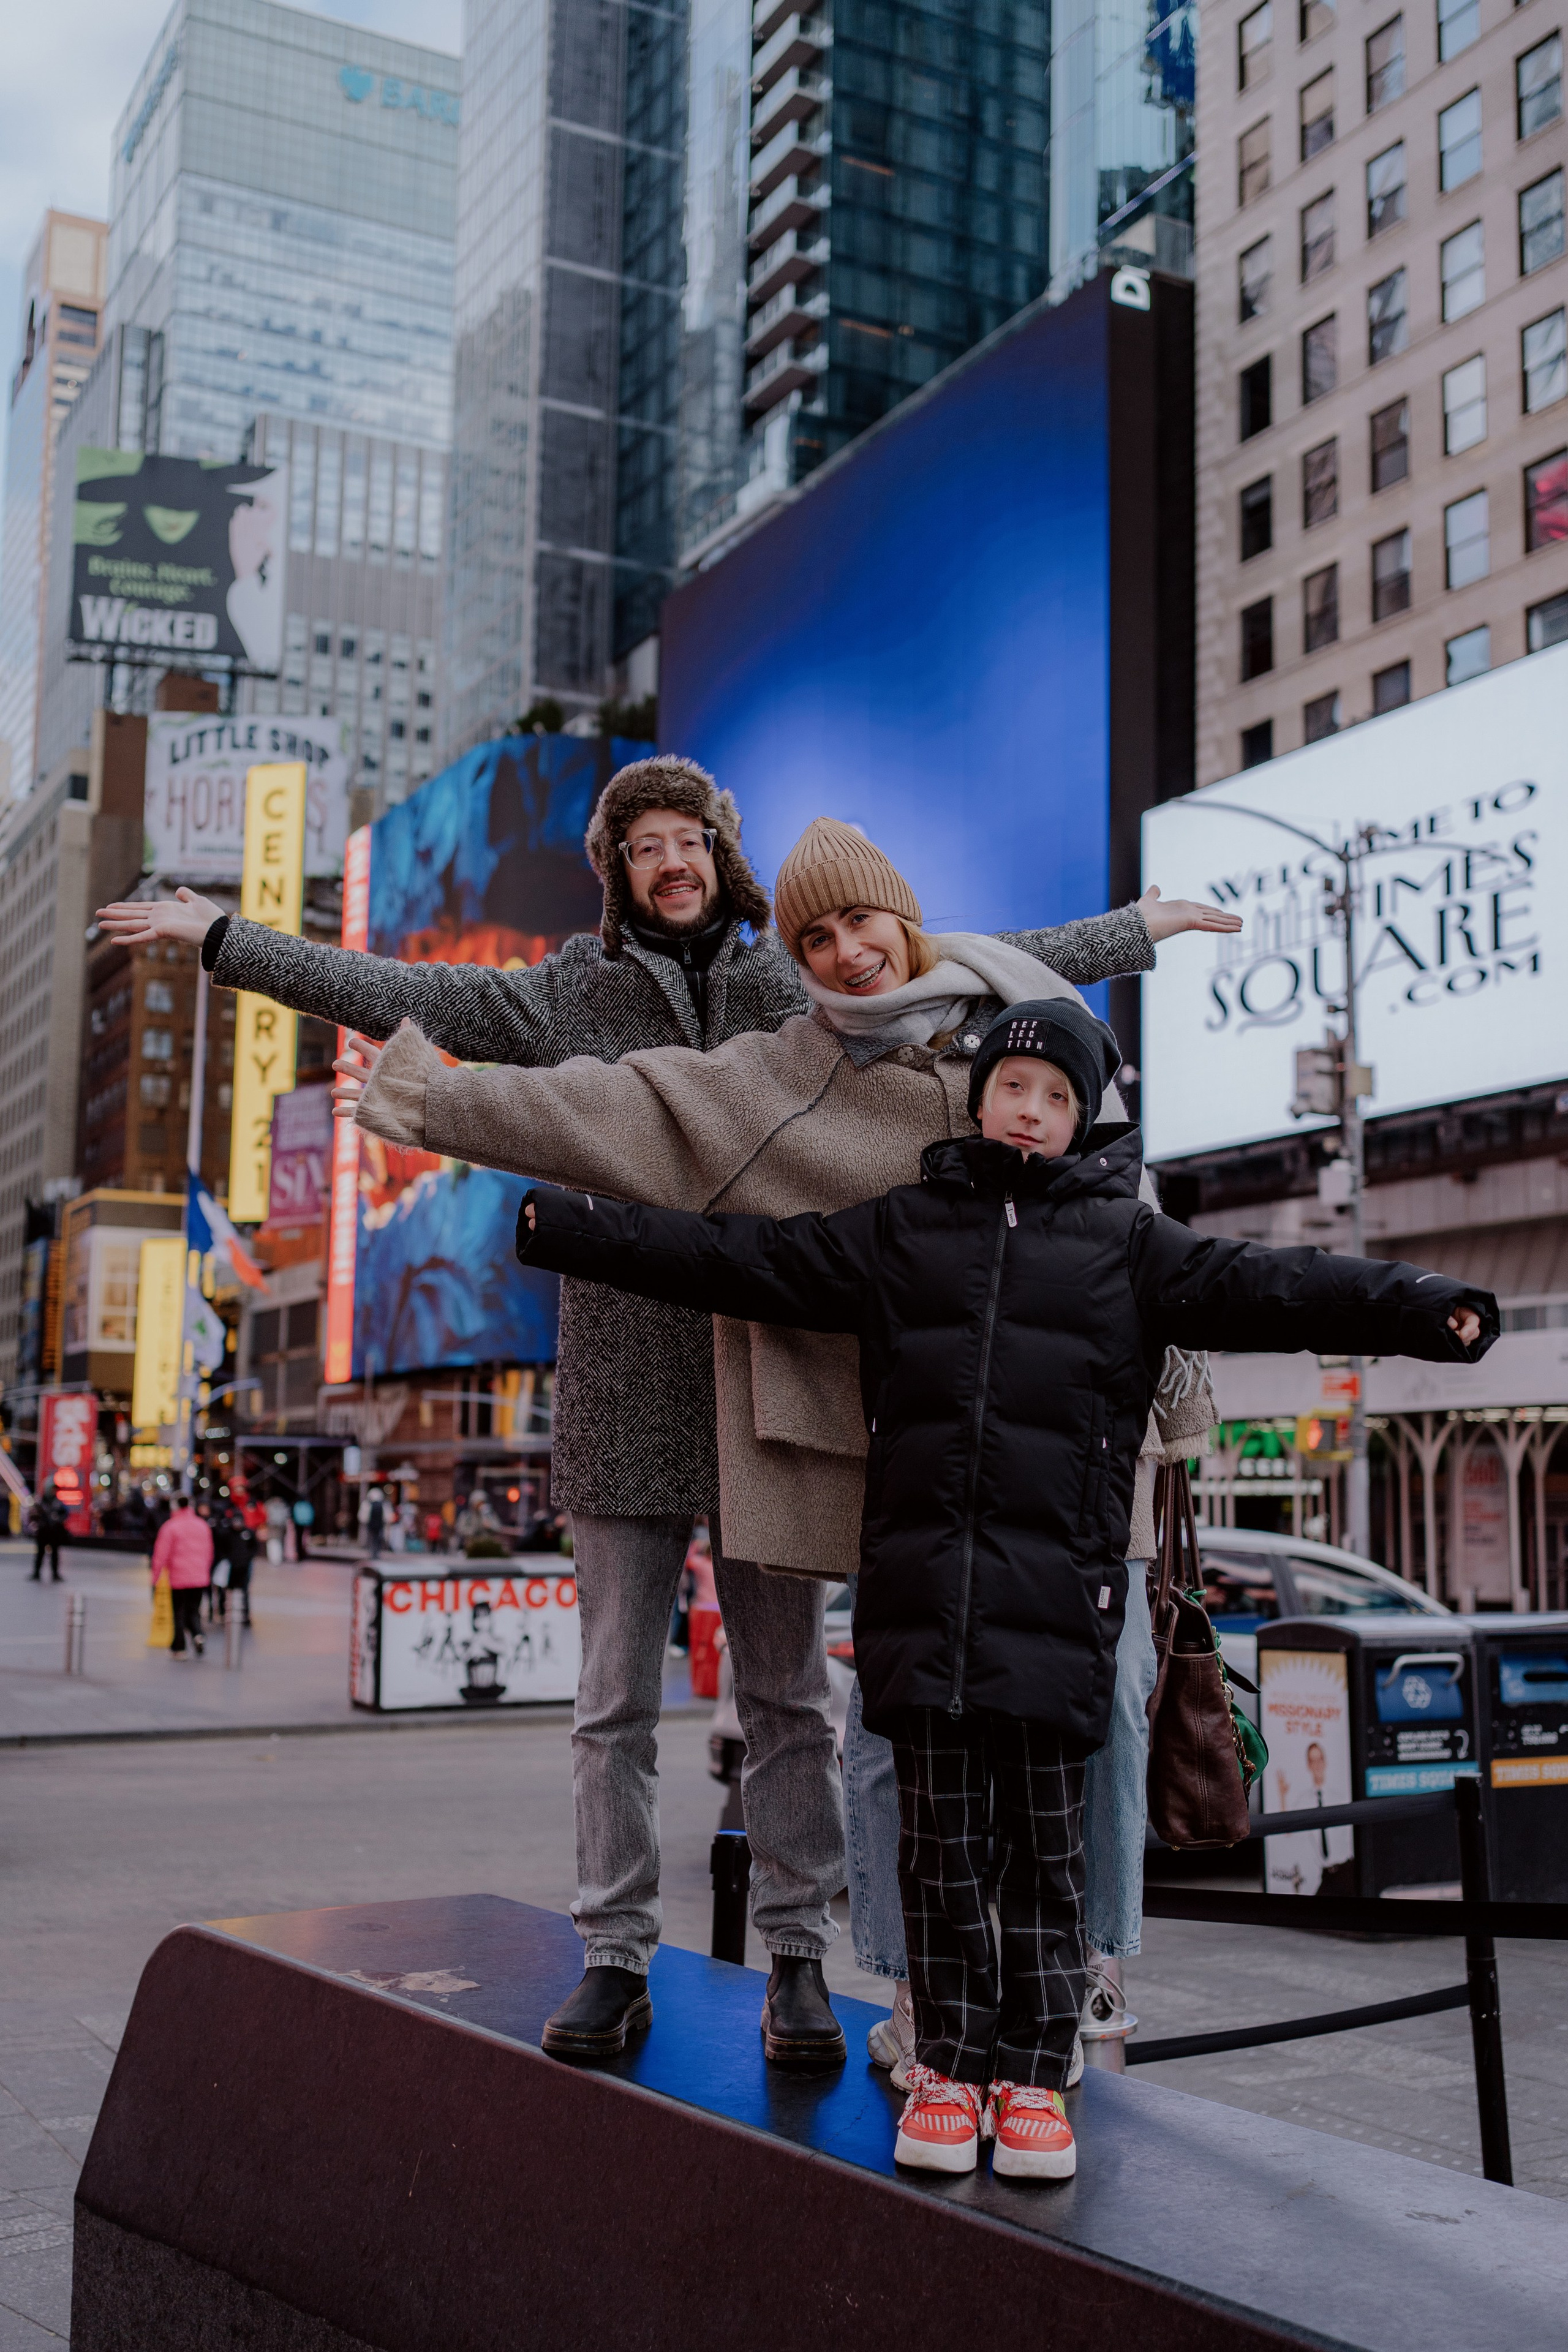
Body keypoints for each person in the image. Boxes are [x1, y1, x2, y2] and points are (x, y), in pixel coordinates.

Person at [100, 764, 1234, 2067]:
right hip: (626, 1376)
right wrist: (227, 943)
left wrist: (1132, 932)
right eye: (641, 844)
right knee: (610, 1701)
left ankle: (799, 1958)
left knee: (791, 1699)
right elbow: (399, 992)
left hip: (787, 1380)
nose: (668, 859)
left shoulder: (796, 985)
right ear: (616, 868)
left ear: (723, 855)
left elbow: (978, 958)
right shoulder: (559, 994)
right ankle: (614, 1951)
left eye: (688, 837)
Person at [510, 994, 1496, 2180]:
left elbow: (1275, 1285)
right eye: (1011, 1087)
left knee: (1041, 1863)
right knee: (937, 1855)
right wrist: (562, 1226)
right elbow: (741, 1260)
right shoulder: (901, 1229)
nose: (1027, 1111)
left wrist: (1424, 1312)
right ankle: (950, 2067)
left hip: (1056, 1614)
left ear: (1080, 1121)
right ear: (977, 1096)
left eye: (1054, 1097)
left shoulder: (1130, 1246)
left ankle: (1031, 2082)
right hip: (921, 1608)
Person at [153, 1494, 215, 1657]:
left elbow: (161, 1555)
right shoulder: (202, 1525)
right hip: (199, 1577)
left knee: (178, 1612)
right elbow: (209, 1552)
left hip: (178, 1578)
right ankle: (198, 1634)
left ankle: (179, 1648)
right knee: (194, 1610)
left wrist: (155, 1578)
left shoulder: (170, 1526)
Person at [29, 1482, 67, 1582]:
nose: (54, 1492)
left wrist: (58, 1519)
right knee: (40, 1553)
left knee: (55, 1554)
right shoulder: (41, 1502)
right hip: (43, 1532)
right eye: (53, 1489)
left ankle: (55, 1574)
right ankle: (36, 1573)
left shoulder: (58, 1503)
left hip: (54, 1533)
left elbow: (65, 1514)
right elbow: (33, 1515)